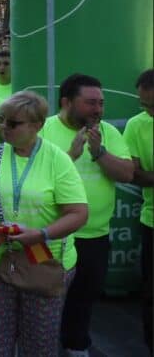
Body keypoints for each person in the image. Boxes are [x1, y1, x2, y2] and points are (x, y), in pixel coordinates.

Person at [0, 91, 89, 357]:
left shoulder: (57, 160)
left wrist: (41, 234)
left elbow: (78, 213)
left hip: (44, 262)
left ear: (37, 125)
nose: (3, 128)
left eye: (13, 123)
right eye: (1, 120)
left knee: (39, 344)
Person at [40, 74, 134, 356]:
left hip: (95, 236)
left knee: (83, 301)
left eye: (101, 103)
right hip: (53, 235)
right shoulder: (43, 131)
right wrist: (72, 153)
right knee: (45, 301)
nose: (98, 110)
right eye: (90, 103)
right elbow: (35, 180)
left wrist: (98, 152)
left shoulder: (108, 133)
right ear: (67, 102)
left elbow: (127, 173)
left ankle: (76, 345)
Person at [126, 69, 154, 354]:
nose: (149, 112)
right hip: (151, 221)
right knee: (151, 294)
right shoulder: (136, 125)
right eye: (145, 105)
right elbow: (135, 174)